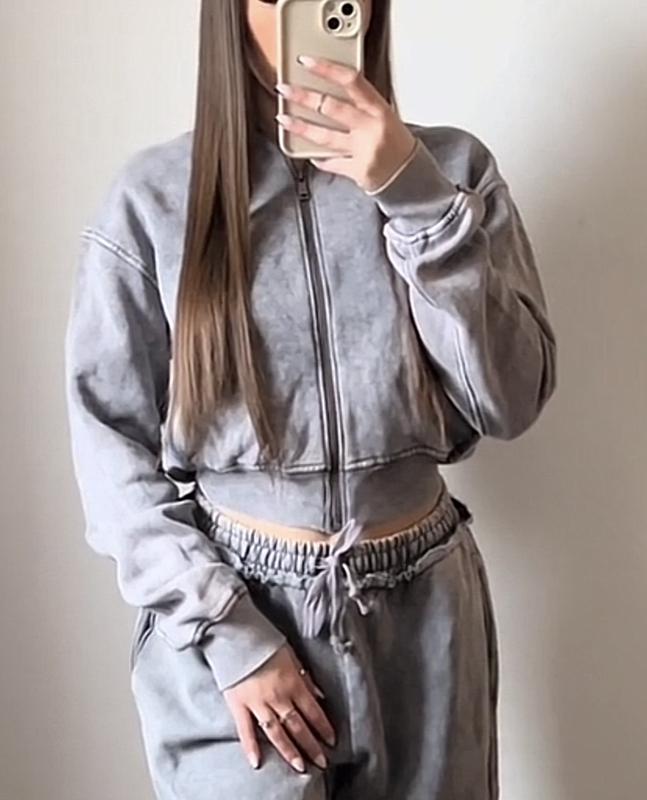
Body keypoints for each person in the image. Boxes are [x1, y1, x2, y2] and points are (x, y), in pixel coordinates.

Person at [63, 1, 557, 797]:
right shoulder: (152, 199)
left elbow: (512, 399)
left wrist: (412, 195)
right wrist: (231, 635)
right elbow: (106, 443)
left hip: (427, 620)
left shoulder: (452, 172)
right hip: (238, 614)